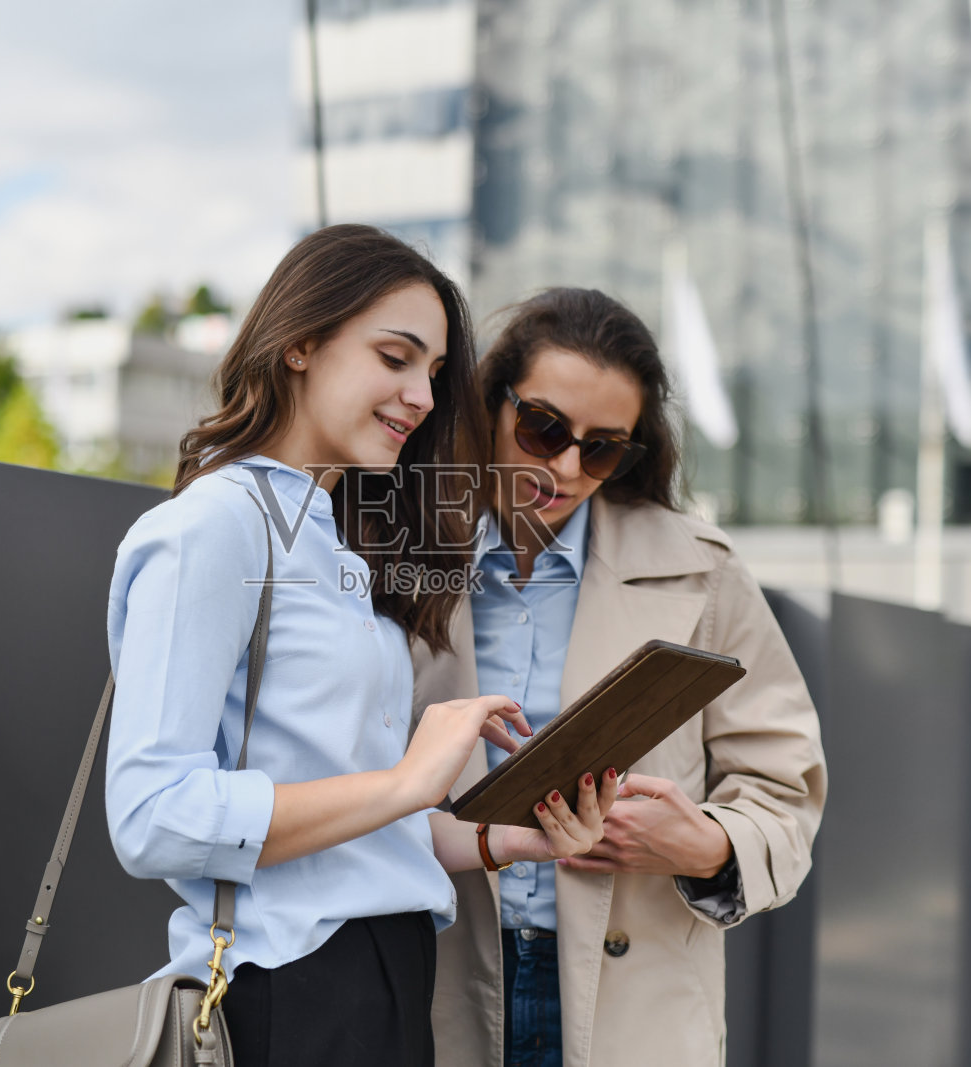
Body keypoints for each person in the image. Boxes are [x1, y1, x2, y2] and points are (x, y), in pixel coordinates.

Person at [103, 227, 618, 1067]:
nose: (420, 395)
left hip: (389, 977)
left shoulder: (336, 546)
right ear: (300, 344)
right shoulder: (214, 528)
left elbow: (363, 831)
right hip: (287, 987)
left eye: (434, 374)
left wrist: (505, 838)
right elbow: (152, 816)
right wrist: (407, 779)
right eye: (394, 357)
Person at [414, 287, 827, 1067]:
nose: (566, 467)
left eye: (602, 447)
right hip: (435, 979)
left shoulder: (700, 570)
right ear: (490, 402)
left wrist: (705, 844)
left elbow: (786, 792)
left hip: (635, 1007)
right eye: (542, 428)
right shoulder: (398, 552)